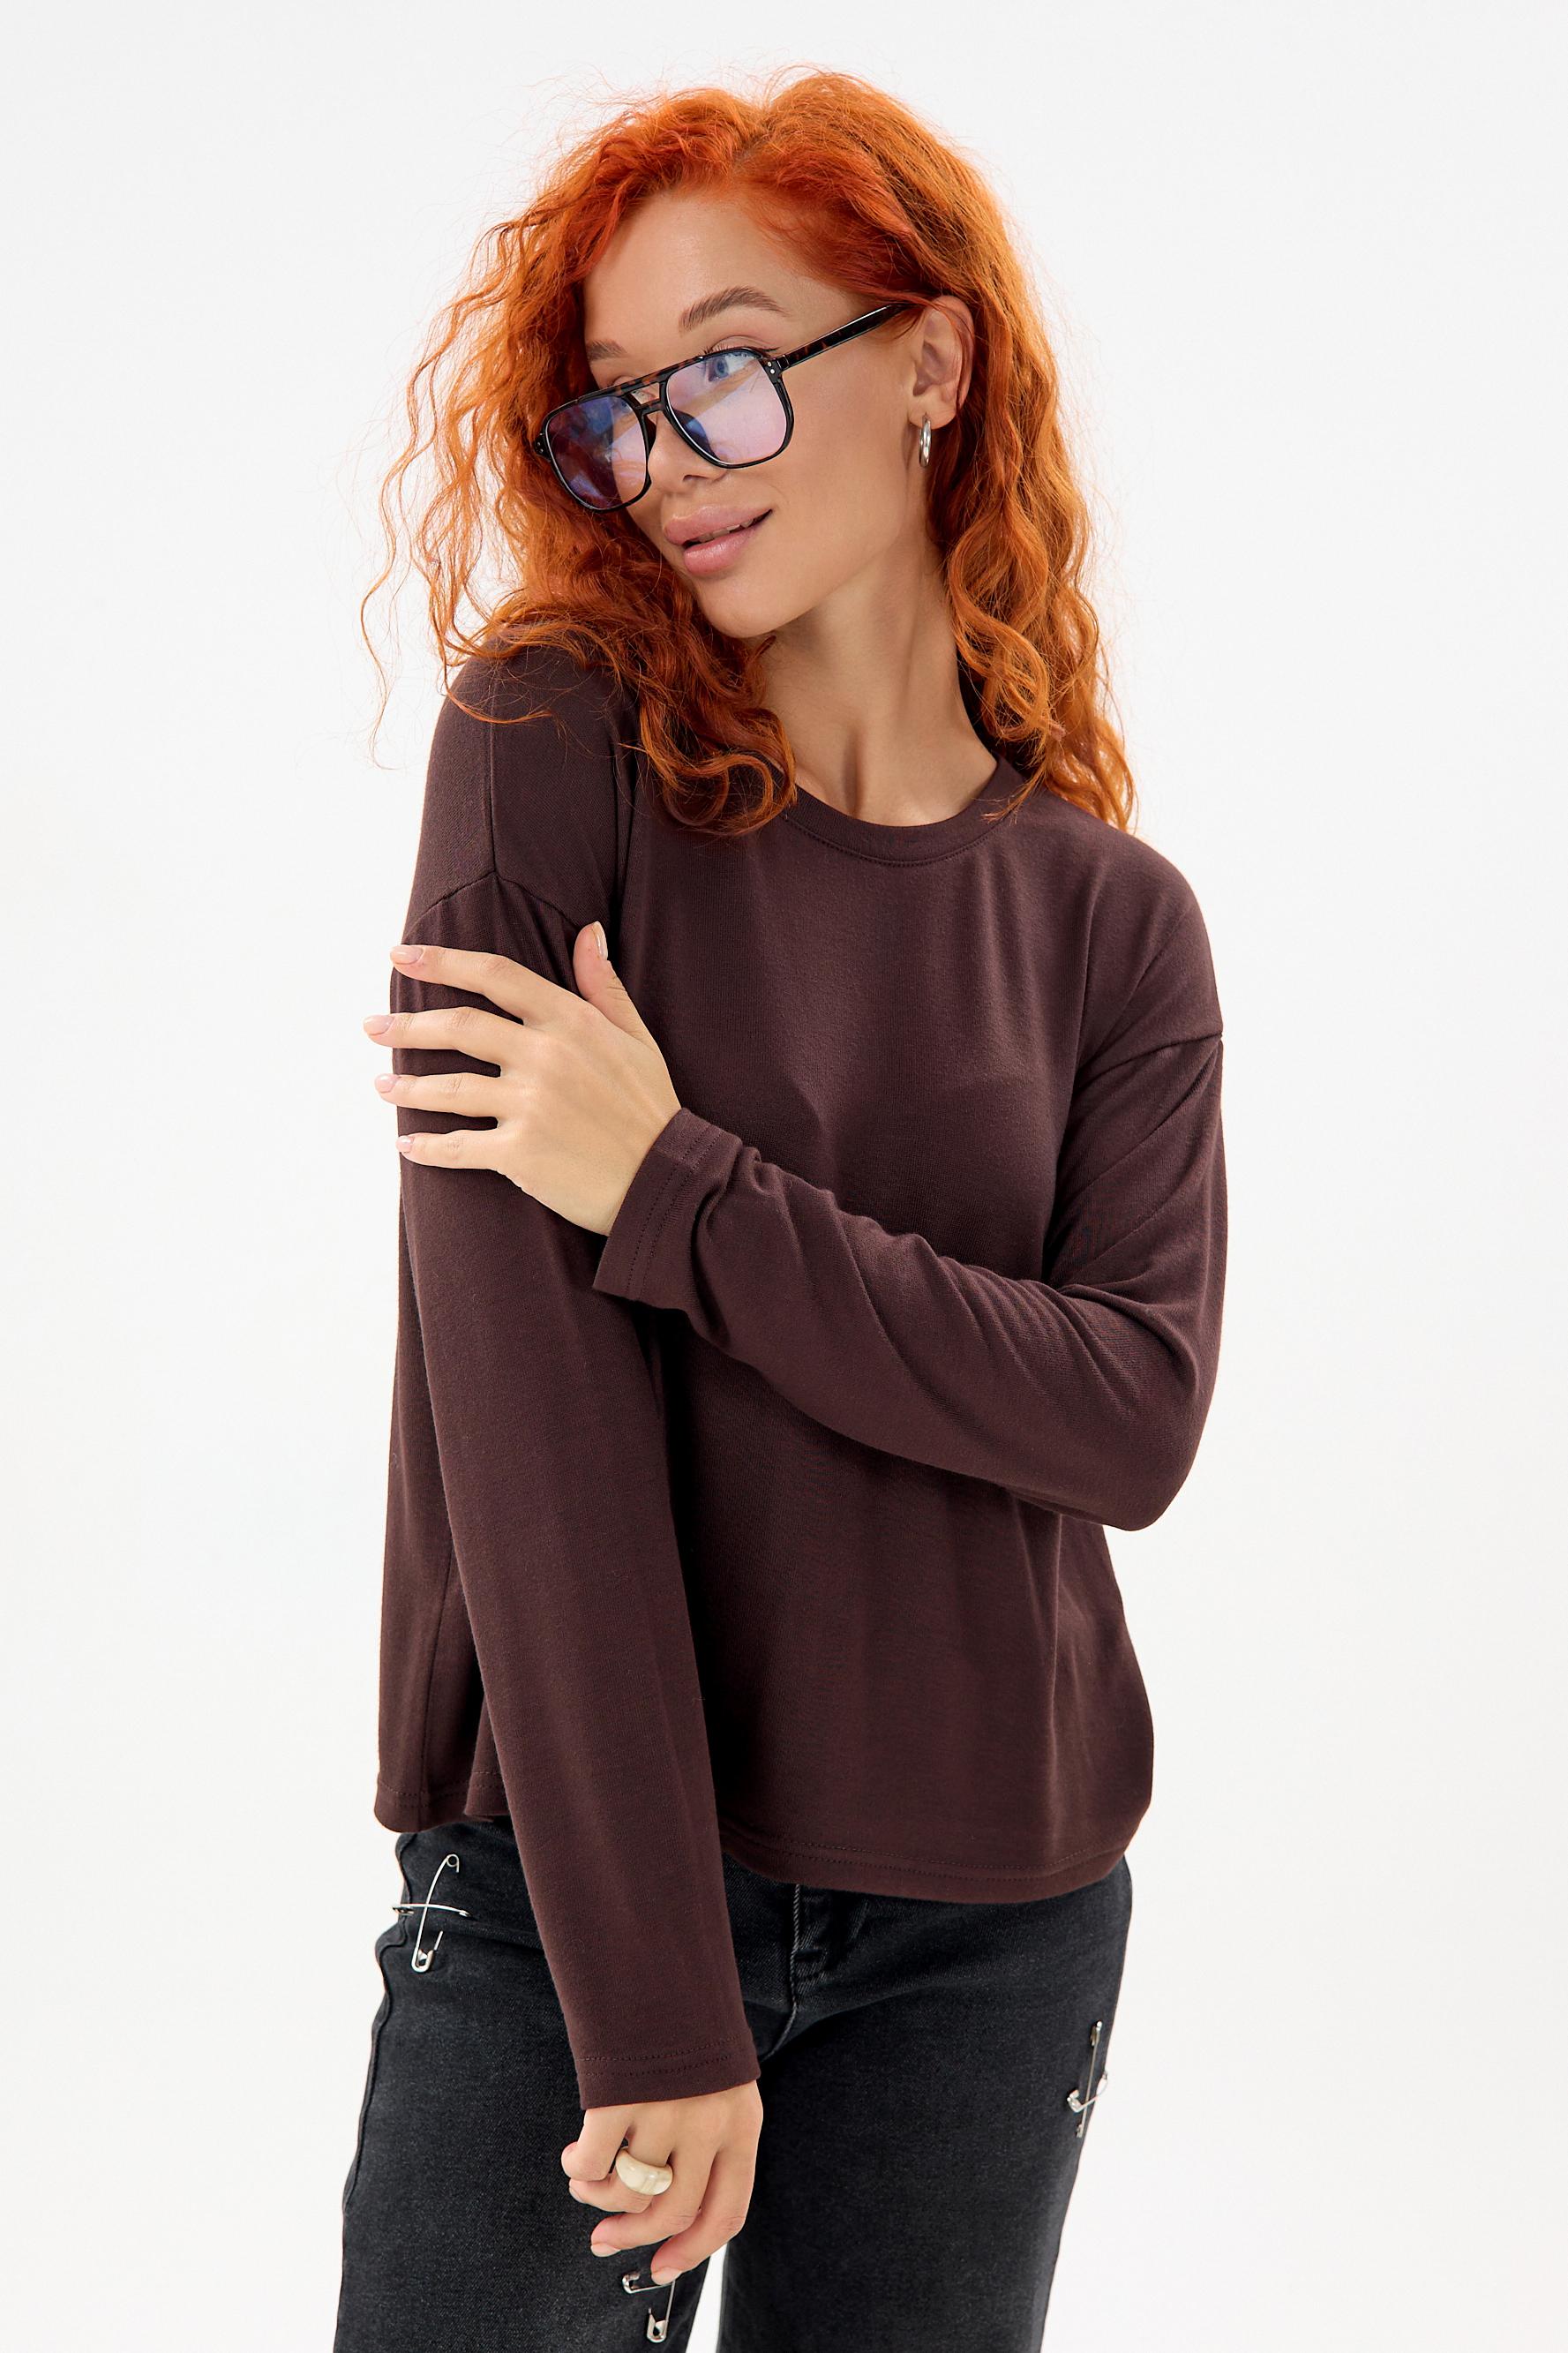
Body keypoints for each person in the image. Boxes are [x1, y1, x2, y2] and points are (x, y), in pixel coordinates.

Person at [334, 64, 1227, 2353]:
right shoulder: (548, 749)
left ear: (928, 363)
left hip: (996, 1917)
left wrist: (674, 1186)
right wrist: (656, 1995)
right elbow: (526, 1419)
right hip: (575, 1899)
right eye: (616, 408)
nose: (665, 460)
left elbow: (1127, 1418)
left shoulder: (1112, 918)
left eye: (724, 372)